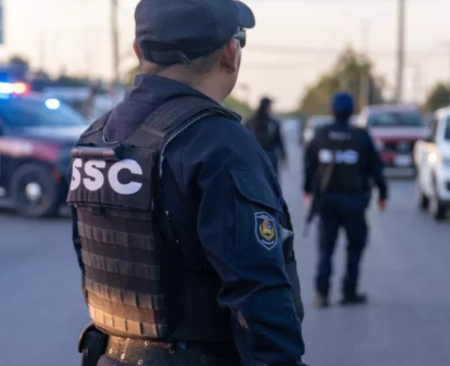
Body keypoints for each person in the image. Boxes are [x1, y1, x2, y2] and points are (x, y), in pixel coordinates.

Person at [66, 1, 306, 365]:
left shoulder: (95, 138)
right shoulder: (220, 144)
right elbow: (259, 297)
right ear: (230, 53)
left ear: (138, 51)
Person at [303, 92, 388, 308]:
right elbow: (376, 168)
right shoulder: (361, 135)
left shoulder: (320, 134)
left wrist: (307, 191)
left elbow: (309, 165)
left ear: (331, 110)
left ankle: (322, 294)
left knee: (325, 249)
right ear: (352, 111)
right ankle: (349, 292)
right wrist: (383, 194)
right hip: (354, 202)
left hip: (327, 202)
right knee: (354, 248)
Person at [245, 97, 287, 177]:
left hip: (255, 155)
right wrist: (284, 156)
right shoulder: (272, 123)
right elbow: (279, 141)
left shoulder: (250, 122)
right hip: (267, 156)